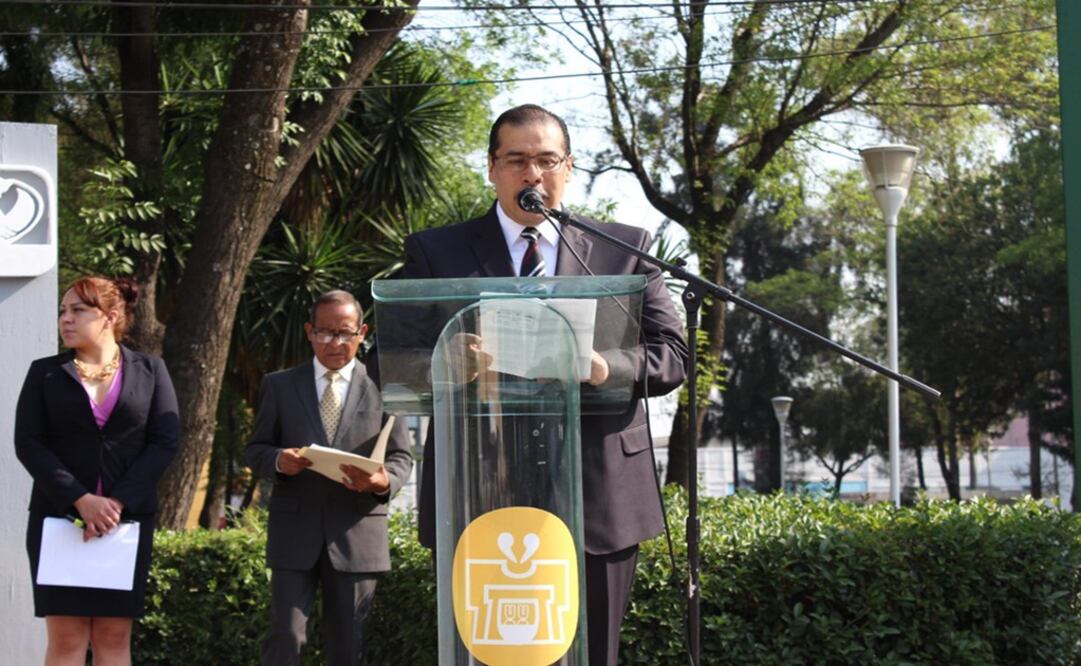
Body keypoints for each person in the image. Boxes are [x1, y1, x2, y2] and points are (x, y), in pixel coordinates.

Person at [398, 104, 688, 665]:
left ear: (568, 167)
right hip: (480, 487)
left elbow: (673, 355)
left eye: (547, 160)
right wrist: (444, 360)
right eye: (516, 160)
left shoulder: (624, 249)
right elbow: (390, 360)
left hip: (598, 489)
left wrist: (604, 367)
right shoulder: (438, 252)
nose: (533, 174)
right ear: (491, 168)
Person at [14, 276, 180, 666]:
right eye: (62, 311)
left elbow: (164, 442)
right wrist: (81, 500)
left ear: (111, 315)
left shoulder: (151, 370)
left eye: (78, 310)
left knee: (113, 636)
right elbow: (29, 443)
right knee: (66, 639)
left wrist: (116, 503)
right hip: (59, 520)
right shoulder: (44, 373)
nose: (65, 319)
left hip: (126, 523)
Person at [245, 290, 413, 666]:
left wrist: (383, 482)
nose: (335, 343)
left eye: (345, 333)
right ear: (309, 331)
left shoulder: (387, 389)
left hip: (357, 533)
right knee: (286, 637)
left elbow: (401, 456)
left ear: (361, 333)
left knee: (348, 647)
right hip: (294, 535)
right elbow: (256, 449)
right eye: (325, 333)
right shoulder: (280, 386)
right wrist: (278, 461)